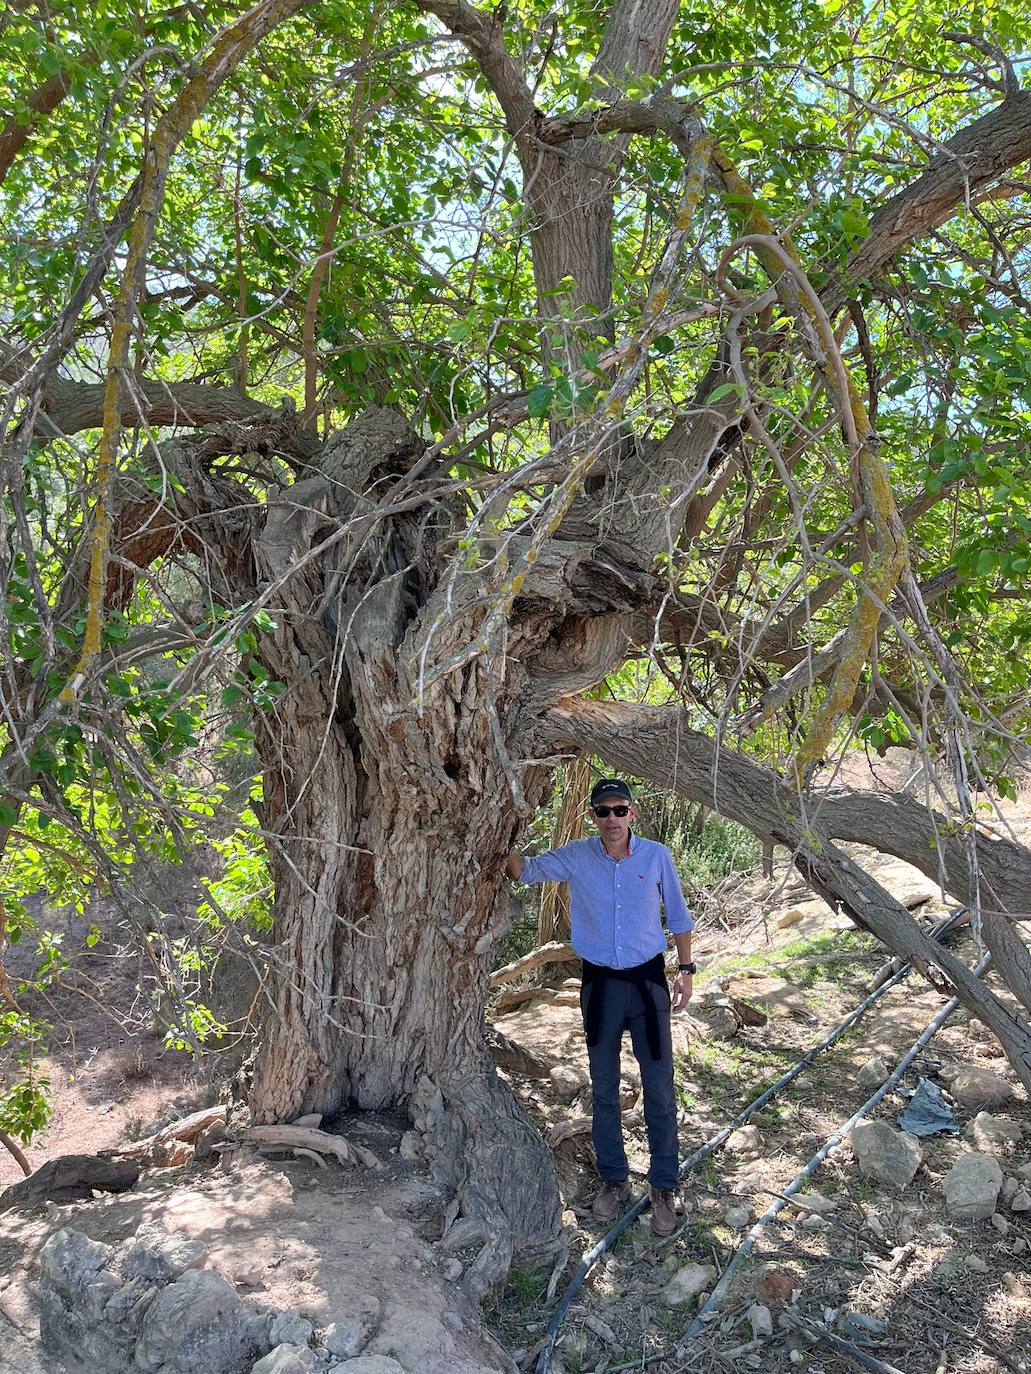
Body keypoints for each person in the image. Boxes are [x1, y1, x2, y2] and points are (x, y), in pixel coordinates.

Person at [505, 778, 695, 1237]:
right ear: (592, 816)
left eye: (619, 809)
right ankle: (614, 1179)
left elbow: (679, 916)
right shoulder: (577, 856)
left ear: (633, 813)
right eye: (603, 811)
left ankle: (663, 1187)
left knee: (658, 1086)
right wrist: (502, 828)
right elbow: (522, 871)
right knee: (604, 1086)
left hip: (648, 985)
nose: (612, 819)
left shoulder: (655, 856)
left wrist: (686, 971)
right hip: (601, 987)